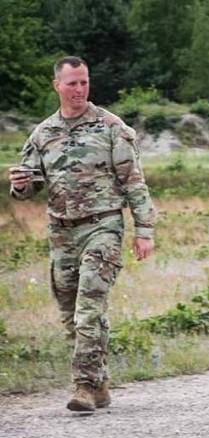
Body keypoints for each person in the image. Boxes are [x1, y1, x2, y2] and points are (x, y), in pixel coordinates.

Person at [7, 56, 156, 412]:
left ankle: (84, 387)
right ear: (56, 85)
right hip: (61, 232)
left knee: (89, 308)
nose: (79, 89)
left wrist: (144, 230)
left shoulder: (110, 126)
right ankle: (100, 382)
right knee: (70, 314)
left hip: (102, 226)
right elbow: (32, 184)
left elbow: (134, 181)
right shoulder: (43, 133)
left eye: (84, 82)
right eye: (72, 83)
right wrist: (20, 186)